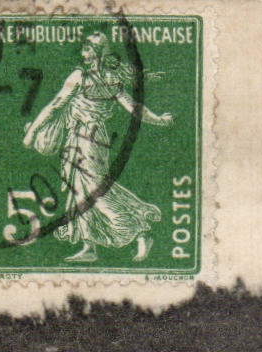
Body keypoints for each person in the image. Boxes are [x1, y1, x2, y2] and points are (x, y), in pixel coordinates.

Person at [22, 31, 172, 263]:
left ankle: (140, 231)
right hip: (89, 138)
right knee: (80, 190)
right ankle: (89, 246)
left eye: (86, 48)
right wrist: (159, 119)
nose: (82, 53)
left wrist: (32, 133)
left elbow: (55, 106)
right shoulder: (110, 78)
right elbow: (136, 109)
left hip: (86, 140)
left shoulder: (79, 77)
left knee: (93, 191)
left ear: (94, 53)